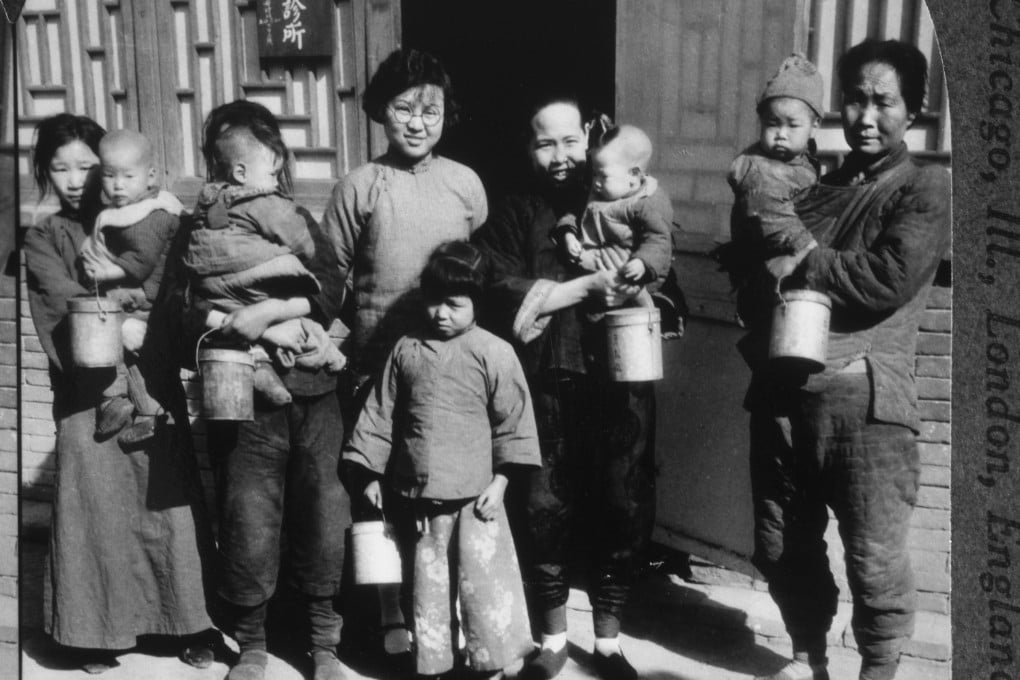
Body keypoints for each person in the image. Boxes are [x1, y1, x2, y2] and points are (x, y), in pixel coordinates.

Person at [727, 40, 951, 680]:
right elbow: (758, 269)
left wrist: (799, 252)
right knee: (780, 544)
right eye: (855, 99)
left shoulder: (922, 186)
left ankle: (878, 668)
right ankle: (807, 658)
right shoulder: (808, 185)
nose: (866, 115)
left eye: (884, 101)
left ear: (914, 109)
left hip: (867, 406)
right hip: (781, 399)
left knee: (874, 557)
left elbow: (885, 278)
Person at [471, 97, 656, 680]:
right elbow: (495, 280)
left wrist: (637, 279)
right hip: (544, 378)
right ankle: (552, 637)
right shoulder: (513, 212)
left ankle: (606, 639)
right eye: (544, 142)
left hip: (619, 374)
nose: (560, 156)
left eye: (570, 141)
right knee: (542, 504)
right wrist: (576, 289)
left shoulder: (621, 194)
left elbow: (659, 256)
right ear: (528, 149)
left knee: (621, 500)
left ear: (590, 137)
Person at [25, 114, 216, 673]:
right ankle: (92, 634)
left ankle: (187, 623)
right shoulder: (47, 237)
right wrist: (113, 322)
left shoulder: (144, 219)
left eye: (87, 165)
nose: (77, 178)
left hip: (151, 377)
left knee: (168, 504)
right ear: (45, 174)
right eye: (61, 168)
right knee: (97, 509)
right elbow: (57, 301)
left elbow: (178, 283)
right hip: (89, 393)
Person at [321, 47, 488, 654]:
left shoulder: (465, 184)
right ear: (378, 112)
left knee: (446, 489)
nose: (417, 123)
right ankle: (388, 615)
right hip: (376, 369)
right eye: (403, 109)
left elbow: (473, 273)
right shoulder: (359, 186)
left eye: (431, 111)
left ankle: (443, 616)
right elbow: (329, 278)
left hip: (449, 368)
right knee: (375, 491)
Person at [180, 100, 350, 680]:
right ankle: (251, 645)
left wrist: (276, 309)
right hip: (243, 393)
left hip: (315, 392)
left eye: (272, 156)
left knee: (324, 514)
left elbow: (331, 289)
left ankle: (323, 646)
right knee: (247, 516)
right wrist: (229, 319)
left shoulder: (297, 218)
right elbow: (187, 310)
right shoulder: (198, 227)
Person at [343, 241, 541, 680]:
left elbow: (514, 423)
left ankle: (496, 660)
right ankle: (435, 663)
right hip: (422, 499)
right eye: (434, 301)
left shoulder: (494, 352)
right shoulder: (407, 349)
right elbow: (381, 412)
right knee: (430, 587)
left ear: (477, 303)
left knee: (485, 585)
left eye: (454, 304)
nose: (441, 312)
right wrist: (371, 472)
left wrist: (501, 482)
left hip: (476, 498)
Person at [182, 121, 343, 406]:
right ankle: (330, 355)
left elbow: (330, 288)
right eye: (272, 173)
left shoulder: (206, 206)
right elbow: (179, 301)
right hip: (234, 375)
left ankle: (262, 362)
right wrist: (268, 327)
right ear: (240, 171)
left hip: (225, 303)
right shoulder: (266, 204)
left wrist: (270, 313)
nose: (275, 180)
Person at [76, 128, 186, 446]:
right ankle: (130, 406)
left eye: (127, 176)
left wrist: (106, 270)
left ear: (150, 176)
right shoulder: (124, 211)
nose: (118, 185)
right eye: (109, 176)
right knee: (126, 350)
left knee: (109, 328)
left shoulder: (154, 213)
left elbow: (142, 261)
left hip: (154, 299)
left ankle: (124, 402)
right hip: (137, 299)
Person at [727, 54, 825, 285]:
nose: (781, 133)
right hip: (766, 264)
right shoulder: (760, 169)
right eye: (773, 124)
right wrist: (806, 247)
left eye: (792, 125)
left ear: (815, 125)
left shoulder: (801, 159)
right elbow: (771, 212)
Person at [552, 123, 672, 306]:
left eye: (603, 176)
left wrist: (643, 262)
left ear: (633, 175)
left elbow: (658, 239)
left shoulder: (645, 202)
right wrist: (567, 234)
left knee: (634, 314)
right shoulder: (596, 193)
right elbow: (575, 214)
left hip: (628, 277)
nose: (596, 183)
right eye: (594, 174)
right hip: (594, 271)